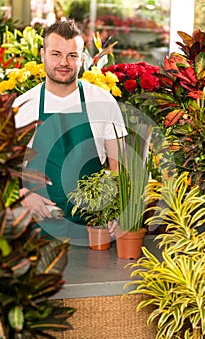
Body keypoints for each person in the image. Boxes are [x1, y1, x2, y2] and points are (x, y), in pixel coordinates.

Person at [13, 18, 127, 243]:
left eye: (72, 55)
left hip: (92, 230)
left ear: (82, 58)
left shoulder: (103, 102)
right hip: (36, 230)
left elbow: (119, 168)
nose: (64, 62)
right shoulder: (22, 107)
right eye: (56, 54)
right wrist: (24, 195)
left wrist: (118, 211)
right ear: (42, 54)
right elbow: (0, 173)